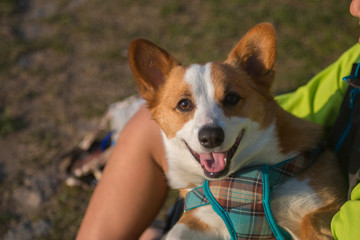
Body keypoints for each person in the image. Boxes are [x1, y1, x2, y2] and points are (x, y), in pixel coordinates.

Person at [76, 1, 360, 239]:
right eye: (185, 104)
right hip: (231, 174)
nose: (354, 6)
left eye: (230, 99)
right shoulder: (356, 58)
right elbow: (303, 102)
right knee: (143, 121)